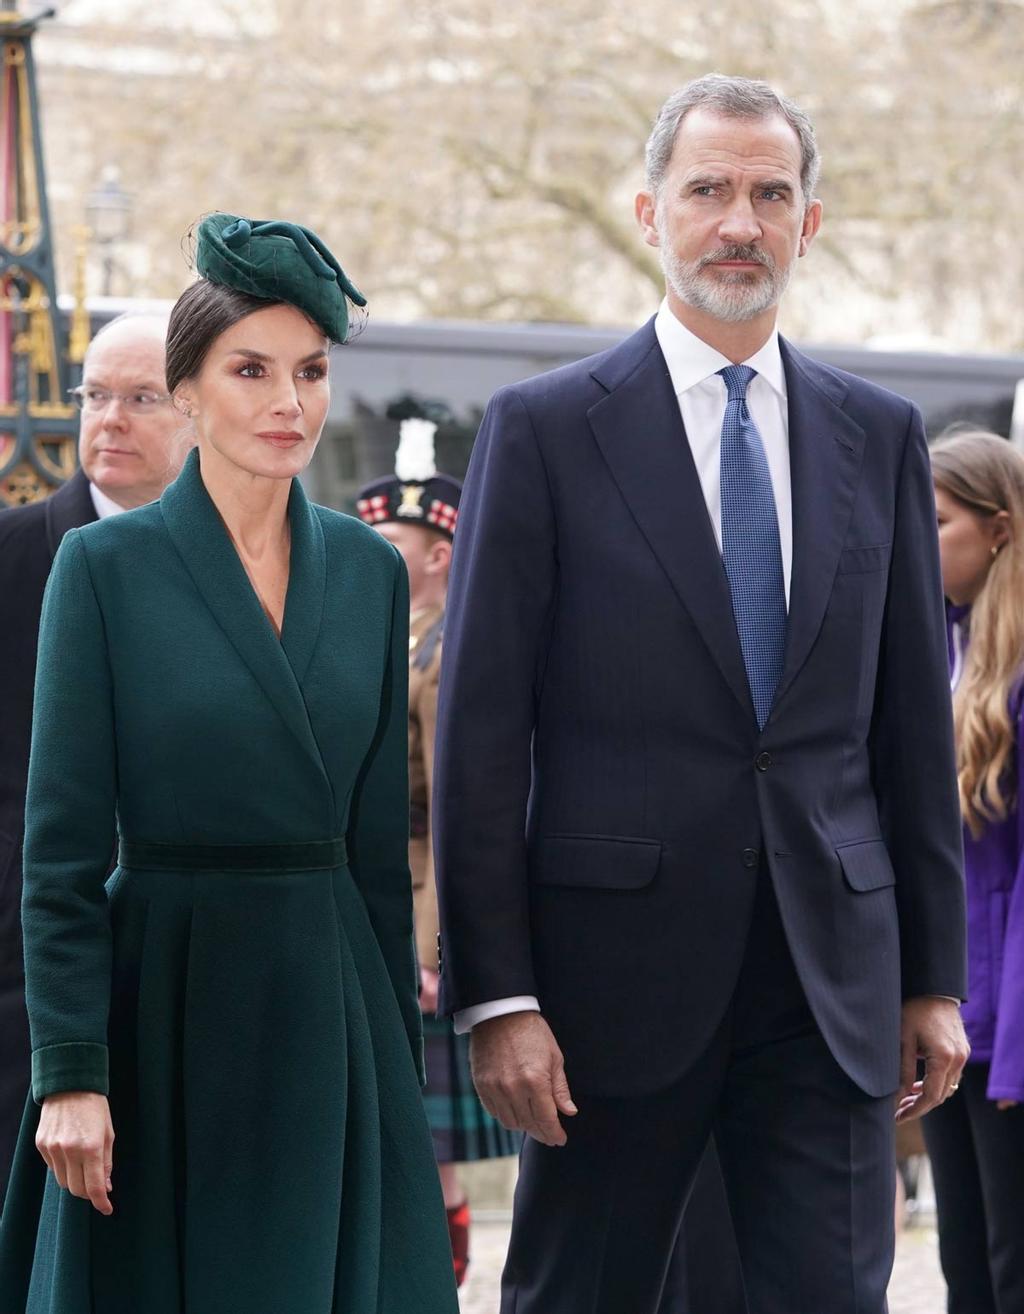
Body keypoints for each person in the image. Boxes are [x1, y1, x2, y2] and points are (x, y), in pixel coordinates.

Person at [433, 74, 969, 1314]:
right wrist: (498, 995)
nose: (739, 220)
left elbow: (906, 727)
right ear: (649, 210)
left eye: (769, 194)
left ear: (808, 223)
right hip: (604, 996)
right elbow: (480, 734)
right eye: (709, 190)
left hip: (828, 982)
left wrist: (929, 978)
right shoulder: (545, 429)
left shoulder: (875, 433)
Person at [0, 214, 459, 1314]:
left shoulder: (365, 572)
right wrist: (70, 1070)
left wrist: (393, 1062)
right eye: (249, 370)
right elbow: (59, 853)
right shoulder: (101, 568)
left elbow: (376, 865)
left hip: (329, 1002)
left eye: (308, 371)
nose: (287, 401)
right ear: (187, 394)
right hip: (162, 996)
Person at [0, 313, 190, 1204]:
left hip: (188, 958)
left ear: (196, 408)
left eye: (140, 398)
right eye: (94, 396)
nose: (108, 420)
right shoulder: (11, 557)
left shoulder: (247, 561)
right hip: (26, 970)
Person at [357, 416, 521, 1289]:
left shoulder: (446, 647)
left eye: (393, 541)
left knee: (431, 1145)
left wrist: (430, 946)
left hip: (423, 909)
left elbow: (447, 811)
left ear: (441, 555)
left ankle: (441, 1281)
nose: (375, 552)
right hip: (401, 894)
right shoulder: (410, 636)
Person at [924, 431, 1024, 1314]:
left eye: (940, 520)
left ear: (999, 529)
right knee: (966, 1267)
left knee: (1009, 1264)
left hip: (1010, 1034)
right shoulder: (940, 652)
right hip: (953, 1017)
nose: (920, 536)